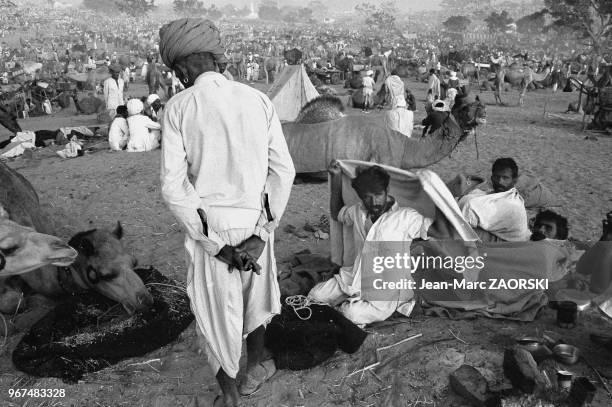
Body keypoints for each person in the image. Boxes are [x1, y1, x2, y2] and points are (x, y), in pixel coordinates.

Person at [158, 18, 295, 407]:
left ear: (182, 68)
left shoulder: (179, 107)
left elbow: (174, 186)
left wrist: (212, 243)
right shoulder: (258, 100)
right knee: (255, 301)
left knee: (217, 315)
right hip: (255, 219)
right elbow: (283, 171)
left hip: (212, 223)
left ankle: (230, 395)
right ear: (214, 59)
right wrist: (262, 231)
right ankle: (256, 365)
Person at [308, 162, 430, 325]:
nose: (373, 202)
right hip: (354, 278)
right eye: (367, 197)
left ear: (387, 190)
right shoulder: (358, 212)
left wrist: (444, 201)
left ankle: (358, 309)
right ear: (360, 196)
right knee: (315, 296)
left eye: (378, 194)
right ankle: (347, 305)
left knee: (350, 314)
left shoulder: (406, 217)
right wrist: (336, 179)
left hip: (387, 290)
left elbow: (434, 228)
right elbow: (337, 213)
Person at [459, 158, 530, 242]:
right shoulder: (495, 194)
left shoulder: (512, 204)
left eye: (505, 178)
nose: (500, 181)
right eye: (497, 177)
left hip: (506, 245)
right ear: (492, 177)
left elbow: (469, 210)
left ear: (514, 180)